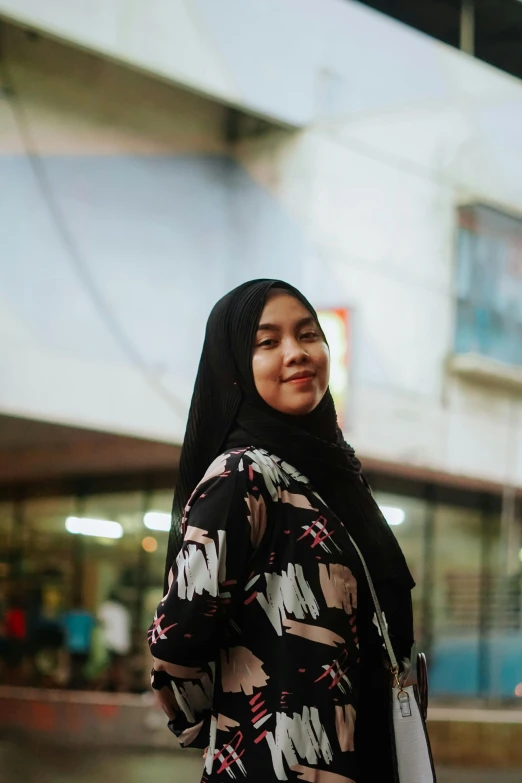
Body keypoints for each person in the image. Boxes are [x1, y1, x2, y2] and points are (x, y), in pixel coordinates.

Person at [148, 280, 416, 782]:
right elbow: (177, 641)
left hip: (364, 756)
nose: (296, 353)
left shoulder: (333, 475)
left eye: (308, 334)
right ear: (233, 370)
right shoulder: (243, 477)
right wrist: (238, 725)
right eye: (267, 342)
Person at [98, 591, 131, 691]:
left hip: (110, 642)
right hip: (122, 643)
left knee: (109, 665)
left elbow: (100, 621)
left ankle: (110, 685)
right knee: (119, 665)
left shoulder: (106, 608)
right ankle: (119, 686)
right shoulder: (123, 610)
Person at [61, 600, 95, 689]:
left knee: (73, 666)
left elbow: (63, 626)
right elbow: (93, 626)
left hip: (72, 644)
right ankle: (80, 683)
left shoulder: (69, 616)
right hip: (84, 645)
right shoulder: (87, 616)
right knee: (81, 666)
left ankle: (73, 683)